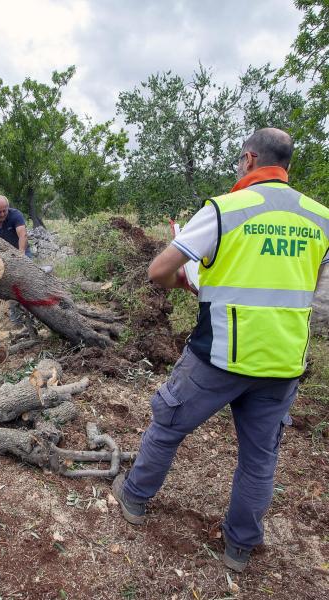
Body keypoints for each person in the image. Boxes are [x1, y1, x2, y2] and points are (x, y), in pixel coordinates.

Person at [112, 128, 329, 572]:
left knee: (168, 425)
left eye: (238, 161)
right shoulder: (321, 218)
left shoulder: (226, 209)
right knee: (259, 460)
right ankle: (240, 547)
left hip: (219, 356)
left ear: (249, 160)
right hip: (283, 364)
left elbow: (159, 271)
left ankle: (133, 498)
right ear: (286, 164)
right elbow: (322, 304)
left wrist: (190, 284)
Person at [0, 195, 32, 326]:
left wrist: (21, 255)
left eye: (5, 210)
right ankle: (17, 320)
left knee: (27, 283)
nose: (3, 214)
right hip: (2, 259)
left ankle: (32, 315)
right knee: (11, 288)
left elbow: (22, 235)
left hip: (21, 252)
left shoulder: (16, 215)